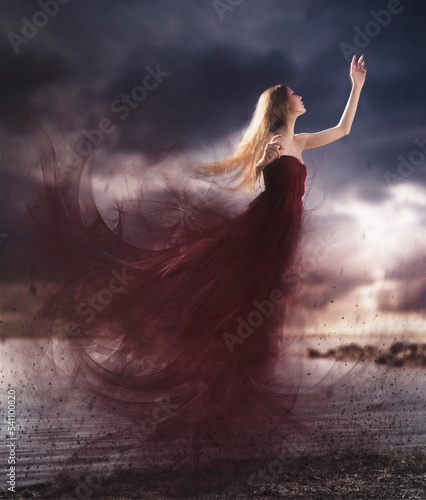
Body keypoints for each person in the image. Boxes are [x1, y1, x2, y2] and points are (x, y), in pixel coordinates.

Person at [31, 54, 366, 481]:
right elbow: (265, 177)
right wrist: (266, 159)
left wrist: (355, 85)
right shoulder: (276, 146)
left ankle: (226, 397)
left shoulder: (300, 142)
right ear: (283, 107)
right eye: (294, 94)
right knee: (231, 294)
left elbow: (344, 130)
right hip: (264, 232)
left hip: (283, 235)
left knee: (255, 313)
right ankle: (201, 353)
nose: (301, 96)